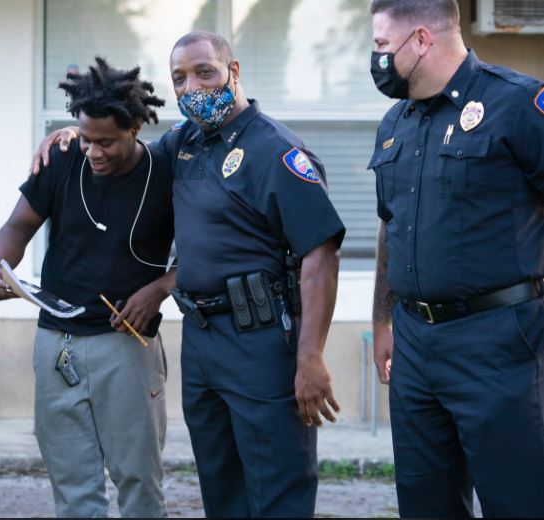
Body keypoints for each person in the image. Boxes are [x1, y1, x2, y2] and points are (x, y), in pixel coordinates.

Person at [34, 31, 346, 518]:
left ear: (233, 72)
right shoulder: (184, 144)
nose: (191, 86)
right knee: (221, 489)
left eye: (205, 72)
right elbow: (125, 147)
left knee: (276, 490)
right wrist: (75, 136)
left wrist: (311, 357)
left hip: (261, 341)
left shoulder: (276, 151)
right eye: (179, 77)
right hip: (202, 344)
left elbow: (320, 256)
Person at [369, 0, 544, 516]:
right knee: (425, 504)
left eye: (381, 45)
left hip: (499, 342)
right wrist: (382, 319)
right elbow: (390, 224)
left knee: (519, 501)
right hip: (415, 346)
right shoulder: (394, 123)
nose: (376, 58)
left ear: (421, 39)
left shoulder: (517, 104)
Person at [0, 57, 174, 518]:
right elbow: (17, 226)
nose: (93, 152)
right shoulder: (63, 156)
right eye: (86, 138)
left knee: (139, 482)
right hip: (57, 344)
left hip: (126, 347)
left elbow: (203, 252)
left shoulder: (167, 171)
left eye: (106, 142)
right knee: (73, 487)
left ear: (134, 127)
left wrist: (161, 288)